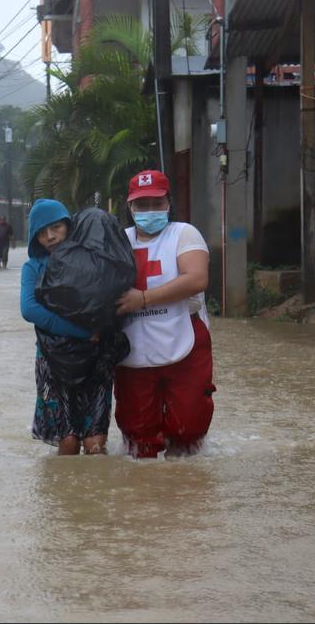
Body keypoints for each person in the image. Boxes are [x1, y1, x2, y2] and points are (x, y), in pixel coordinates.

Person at [114, 169, 215, 458]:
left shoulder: (184, 233)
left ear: (168, 203)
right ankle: (146, 496)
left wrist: (143, 299)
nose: (149, 211)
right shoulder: (119, 239)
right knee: (137, 436)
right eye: (141, 205)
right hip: (132, 346)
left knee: (189, 425)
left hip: (184, 339)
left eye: (156, 203)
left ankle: (183, 491)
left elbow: (197, 278)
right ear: (130, 207)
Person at [20, 198, 116, 455]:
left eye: (56, 228)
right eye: (42, 233)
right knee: (68, 441)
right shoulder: (33, 268)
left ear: (69, 226)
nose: (50, 237)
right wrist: (82, 332)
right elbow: (29, 310)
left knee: (95, 443)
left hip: (96, 358)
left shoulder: (92, 259)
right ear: (34, 238)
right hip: (53, 360)